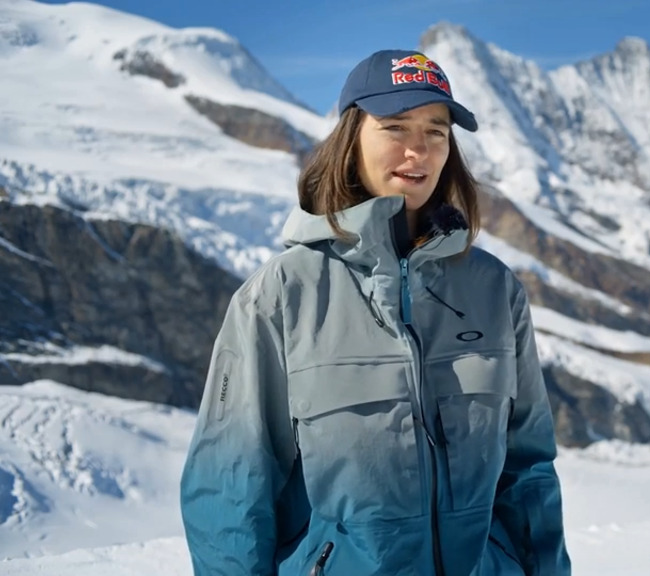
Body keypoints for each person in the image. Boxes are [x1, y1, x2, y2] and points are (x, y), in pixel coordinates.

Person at [179, 48, 571, 576]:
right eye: (395, 127)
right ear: (351, 140)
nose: (419, 149)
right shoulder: (280, 295)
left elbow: (528, 471)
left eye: (436, 131)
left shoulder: (494, 289)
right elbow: (229, 486)